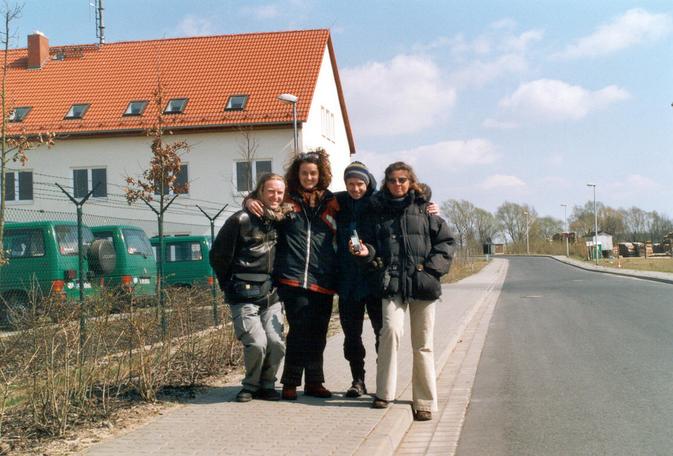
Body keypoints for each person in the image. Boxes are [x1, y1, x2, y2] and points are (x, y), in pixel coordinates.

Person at [365, 161, 455, 421]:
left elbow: (446, 242)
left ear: (410, 181)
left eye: (402, 180)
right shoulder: (378, 210)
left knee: (423, 344)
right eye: (392, 180)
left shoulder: (425, 209)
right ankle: (384, 393)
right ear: (386, 182)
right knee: (390, 332)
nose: (397, 184)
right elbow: (371, 246)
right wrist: (371, 259)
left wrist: (431, 270)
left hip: (422, 284)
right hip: (392, 284)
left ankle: (424, 401)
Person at [209, 173, 289, 402]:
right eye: (270, 191)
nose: (275, 196)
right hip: (243, 292)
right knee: (256, 343)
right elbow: (217, 256)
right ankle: (251, 386)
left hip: (271, 293)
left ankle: (267, 384)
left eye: (279, 192)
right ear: (260, 192)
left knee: (276, 343)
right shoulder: (240, 220)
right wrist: (229, 285)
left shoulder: (281, 219)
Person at [271, 150, 339, 400]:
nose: (309, 177)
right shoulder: (286, 200)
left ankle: (314, 382)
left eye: (313, 173)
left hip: (323, 278)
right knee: (299, 330)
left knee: (319, 332)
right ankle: (290, 382)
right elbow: (262, 199)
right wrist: (249, 201)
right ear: (296, 174)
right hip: (293, 276)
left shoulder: (332, 201)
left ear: (320, 175)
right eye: (304, 173)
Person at [334, 161, 382, 398]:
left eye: (359, 183)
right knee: (352, 336)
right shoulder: (339, 202)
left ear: (367, 182)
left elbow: (407, 199)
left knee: (381, 334)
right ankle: (358, 381)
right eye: (350, 184)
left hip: (374, 279)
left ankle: (384, 380)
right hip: (348, 282)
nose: (355, 189)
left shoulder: (377, 203)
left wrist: (428, 205)